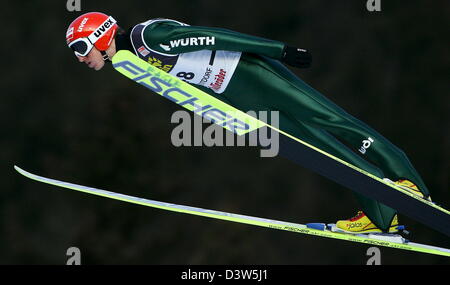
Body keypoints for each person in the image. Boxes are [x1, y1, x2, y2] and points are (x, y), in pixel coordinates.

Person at [66, 12, 432, 234]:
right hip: (238, 96)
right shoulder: (130, 63)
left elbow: (217, 36)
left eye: (82, 48)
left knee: (331, 120)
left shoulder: (149, 38)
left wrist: (280, 50)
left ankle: (408, 181)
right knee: (317, 146)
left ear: (101, 37)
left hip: (252, 73)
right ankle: (379, 213)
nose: (81, 58)